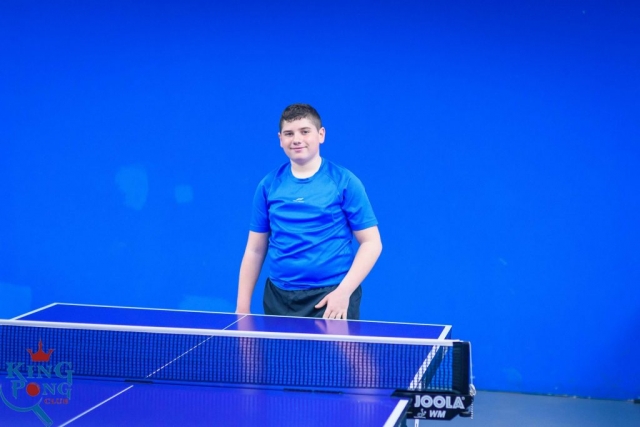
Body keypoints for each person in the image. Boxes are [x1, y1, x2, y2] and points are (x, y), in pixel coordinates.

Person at [235, 104, 382, 320]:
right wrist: (242, 308)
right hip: (279, 298)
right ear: (280, 139)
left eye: (305, 131)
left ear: (321, 135)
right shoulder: (268, 185)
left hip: (332, 297)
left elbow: (372, 243)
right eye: (289, 133)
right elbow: (255, 250)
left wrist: (344, 292)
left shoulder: (345, 182)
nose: (297, 139)